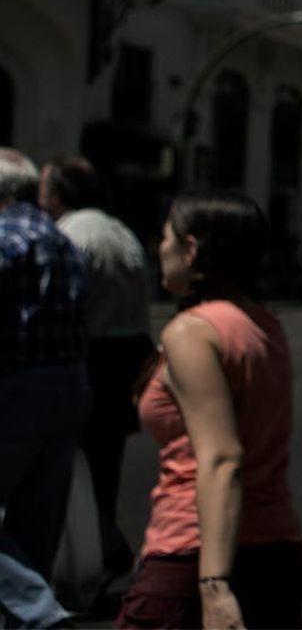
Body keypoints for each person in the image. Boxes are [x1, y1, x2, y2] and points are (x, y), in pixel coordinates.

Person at [116, 193, 302, 630]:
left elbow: (222, 458)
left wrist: (214, 586)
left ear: (191, 250)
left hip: (196, 550)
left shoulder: (193, 333)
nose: (157, 248)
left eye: (165, 237)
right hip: (277, 547)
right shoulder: (262, 325)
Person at [39, 157, 156, 579]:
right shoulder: (120, 232)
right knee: (104, 468)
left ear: (56, 195)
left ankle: (98, 554)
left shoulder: (69, 235)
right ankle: (100, 555)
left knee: (69, 468)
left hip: (92, 357)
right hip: (126, 359)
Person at [0, 147, 90, 629]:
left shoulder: (4, 238)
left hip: (14, 387)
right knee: (36, 526)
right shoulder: (60, 240)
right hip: (67, 385)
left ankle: (38, 612)